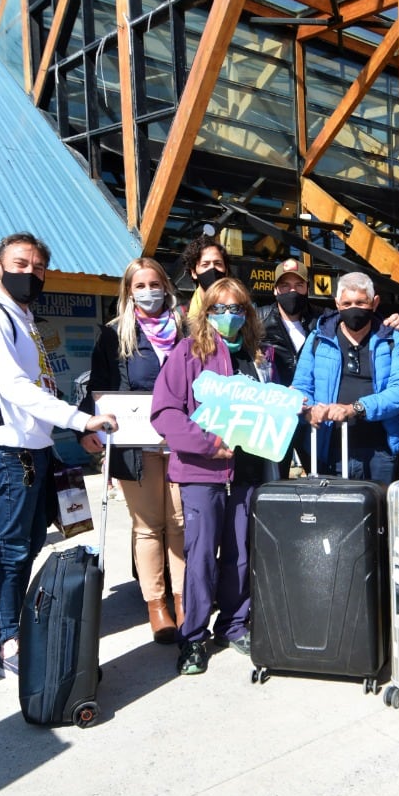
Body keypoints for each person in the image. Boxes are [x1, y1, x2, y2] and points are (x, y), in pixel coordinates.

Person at [0, 232, 116, 677]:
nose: (30, 273)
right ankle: (7, 639)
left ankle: (12, 628)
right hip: (5, 450)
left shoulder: (21, 314)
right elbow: (14, 386)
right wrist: (79, 421)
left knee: (26, 545)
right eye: (21, 264)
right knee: (10, 549)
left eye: (38, 267)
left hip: (32, 446)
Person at [151, 277, 272, 675]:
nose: (229, 316)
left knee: (240, 552)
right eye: (219, 309)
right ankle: (194, 636)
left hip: (248, 469)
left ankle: (234, 624)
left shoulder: (259, 357)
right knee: (201, 556)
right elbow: (165, 414)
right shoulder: (187, 353)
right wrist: (208, 443)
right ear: (204, 314)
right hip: (202, 473)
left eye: (237, 308)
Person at [78, 257, 187, 644]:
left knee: (179, 523)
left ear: (166, 286)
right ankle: (157, 604)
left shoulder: (187, 329)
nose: (148, 292)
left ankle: (182, 597)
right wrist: (88, 429)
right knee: (148, 525)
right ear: (128, 292)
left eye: (154, 284)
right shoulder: (113, 335)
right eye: (139, 286)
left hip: (181, 443)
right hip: (135, 444)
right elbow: (101, 387)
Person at [292, 271, 399, 485]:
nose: (353, 309)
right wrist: (310, 410)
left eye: (360, 302)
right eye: (347, 303)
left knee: (379, 514)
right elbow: (301, 385)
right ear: (337, 303)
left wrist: (355, 408)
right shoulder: (318, 338)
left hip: (380, 451)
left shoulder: (394, 340)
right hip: (328, 449)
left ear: (375, 303)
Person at [257, 258, 324, 475]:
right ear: (275, 290)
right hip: (276, 418)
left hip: (311, 414)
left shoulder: (323, 321)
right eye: (285, 286)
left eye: (298, 285)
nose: (291, 291)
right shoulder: (258, 321)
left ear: (307, 288)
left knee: (322, 480)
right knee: (274, 485)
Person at [181, 234, 231, 318]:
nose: (212, 268)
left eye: (217, 264)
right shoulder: (181, 315)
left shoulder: (239, 311)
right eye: (205, 264)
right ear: (194, 272)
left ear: (226, 270)